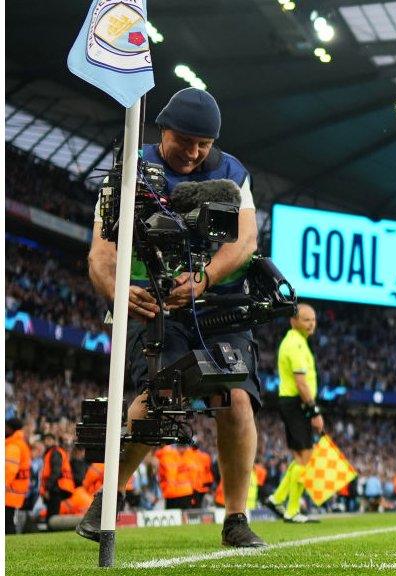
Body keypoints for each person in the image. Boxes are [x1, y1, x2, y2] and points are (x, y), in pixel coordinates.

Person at [77, 88, 265, 547]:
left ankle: (236, 519)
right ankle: (110, 496)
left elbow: (245, 241)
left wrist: (204, 278)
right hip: (154, 302)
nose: (195, 152)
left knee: (236, 401)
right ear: (162, 129)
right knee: (160, 393)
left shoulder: (232, 172)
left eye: (204, 144)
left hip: (219, 305)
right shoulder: (131, 168)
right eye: (185, 140)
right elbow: (101, 253)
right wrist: (121, 293)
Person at [264, 304, 323, 523]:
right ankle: (291, 510)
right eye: (307, 320)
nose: (311, 324)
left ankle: (277, 499)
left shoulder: (299, 342)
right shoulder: (295, 344)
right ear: (293, 320)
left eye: (314, 320)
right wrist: (314, 411)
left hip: (294, 404)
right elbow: (301, 382)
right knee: (305, 457)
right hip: (296, 404)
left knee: (300, 457)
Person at [40, 433, 75, 524]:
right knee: (52, 512)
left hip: (56, 487)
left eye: (49, 440)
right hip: (58, 486)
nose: (47, 442)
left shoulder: (54, 452)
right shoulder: (54, 452)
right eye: (46, 440)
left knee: (52, 513)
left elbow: (56, 472)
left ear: (54, 441)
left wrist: (47, 488)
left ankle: (51, 530)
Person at [5, 417, 31, 534]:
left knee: (7, 522)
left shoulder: (13, 446)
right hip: (15, 491)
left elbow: (9, 470)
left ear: (11, 429)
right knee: (9, 520)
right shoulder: (20, 443)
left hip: (9, 491)